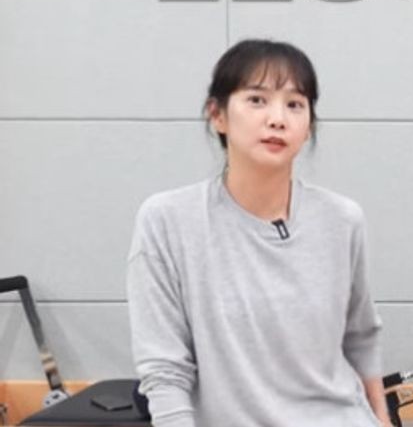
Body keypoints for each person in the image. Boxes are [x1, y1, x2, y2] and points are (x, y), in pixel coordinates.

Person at [127, 39, 392, 427]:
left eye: (295, 104)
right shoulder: (167, 220)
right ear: (217, 115)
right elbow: (164, 371)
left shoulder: (342, 219)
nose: (277, 119)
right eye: (257, 100)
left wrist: (382, 418)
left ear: (309, 127)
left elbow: (361, 336)